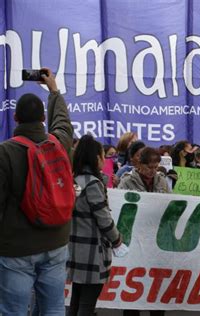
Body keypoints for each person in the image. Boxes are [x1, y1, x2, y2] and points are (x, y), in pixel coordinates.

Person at [0, 68, 73, 315]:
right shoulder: (59, 143)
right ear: (43, 118)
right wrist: (53, 89)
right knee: (53, 307)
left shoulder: (5, 152)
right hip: (56, 242)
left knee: (13, 310)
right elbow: (62, 122)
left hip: (16, 248)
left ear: (16, 120)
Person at [68, 135, 123, 315]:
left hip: (74, 248)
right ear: (95, 157)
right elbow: (104, 219)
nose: (104, 160)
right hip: (92, 251)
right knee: (87, 304)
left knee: (75, 300)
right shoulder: (93, 184)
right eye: (102, 155)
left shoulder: (73, 179)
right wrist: (117, 241)